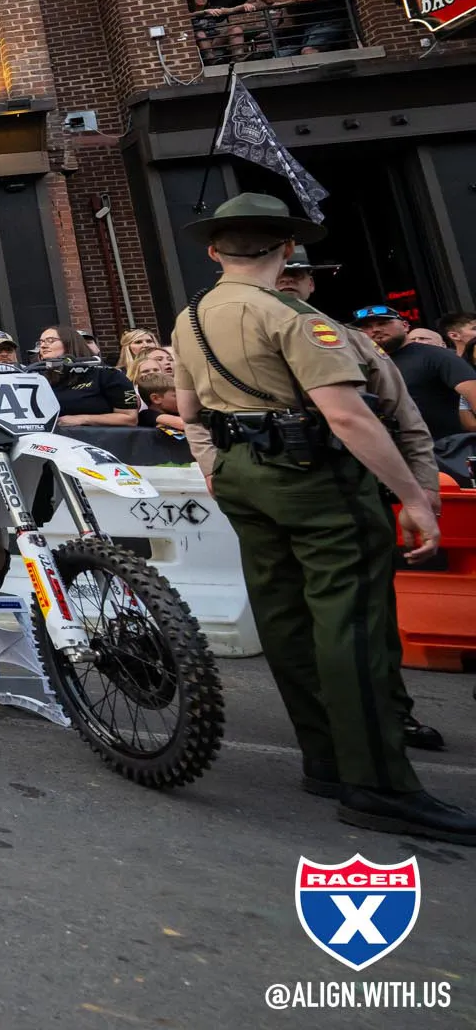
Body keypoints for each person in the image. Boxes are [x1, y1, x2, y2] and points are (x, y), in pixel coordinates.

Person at [171, 193, 469, 843]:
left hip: (242, 471)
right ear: (283, 252)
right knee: (351, 616)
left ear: (216, 251)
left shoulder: (190, 317)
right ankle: (378, 782)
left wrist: (214, 469)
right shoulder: (296, 318)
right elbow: (348, 415)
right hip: (312, 476)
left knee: (283, 614)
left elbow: (190, 411)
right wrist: (417, 499)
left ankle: (328, 757)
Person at [277, 255, 446, 753]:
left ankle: (388, 713)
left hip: (348, 484)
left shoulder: (347, 339)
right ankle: (323, 729)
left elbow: (402, 415)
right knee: (289, 613)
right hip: (276, 487)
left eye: (297, 273)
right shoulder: (229, 336)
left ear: (310, 283)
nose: (287, 279)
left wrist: (424, 490)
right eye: (280, 270)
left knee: (366, 613)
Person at [354, 306, 476, 443]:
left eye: (383, 323)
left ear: (405, 326)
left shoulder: (436, 356)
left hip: (446, 450)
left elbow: (472, 392)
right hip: (394, 451)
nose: (375, 330)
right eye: (367, 327)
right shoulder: (364, 365)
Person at [34, 323, 145, 427]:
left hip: (99, 440)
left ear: (70, 343)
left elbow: (130, 419)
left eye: (50, 341)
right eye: (41, 342)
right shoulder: (39, 377)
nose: (43, 346)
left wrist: (82, 419)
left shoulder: (107, 374)